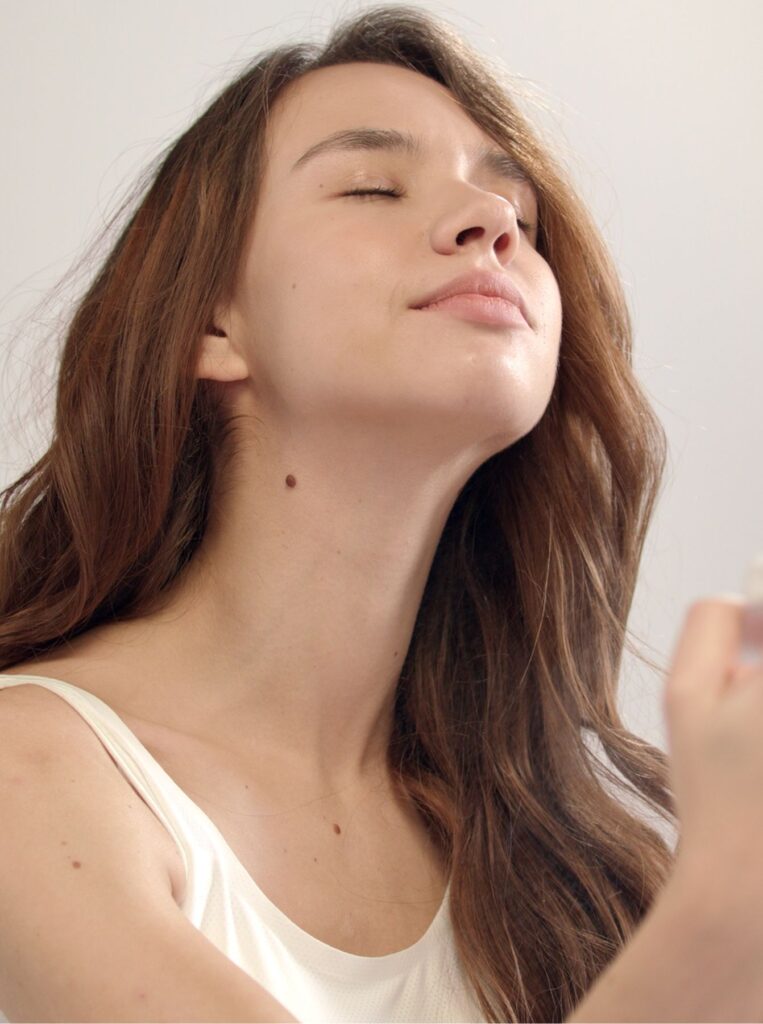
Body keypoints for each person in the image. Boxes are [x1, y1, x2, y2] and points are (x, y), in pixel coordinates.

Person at [1, 4, 762, 1022]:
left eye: (518, 220)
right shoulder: (31, 768)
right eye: (372, 186)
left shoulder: (576, 874)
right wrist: (727, 899)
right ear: (211, 323)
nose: (490, 224)